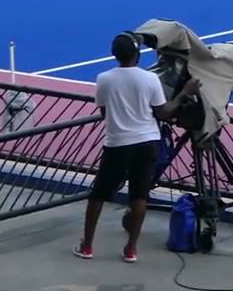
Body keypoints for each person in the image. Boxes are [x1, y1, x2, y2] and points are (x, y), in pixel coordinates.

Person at [73, 34, 202, 264]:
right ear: (137, 54)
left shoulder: (104, 79)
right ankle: (131, 249)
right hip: (146, 143)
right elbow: (164, 112)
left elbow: (105, 113)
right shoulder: (150, 79)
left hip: (117, 143)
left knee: (98, 196)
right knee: (139, 196)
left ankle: (87, 245)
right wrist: (185, 94)